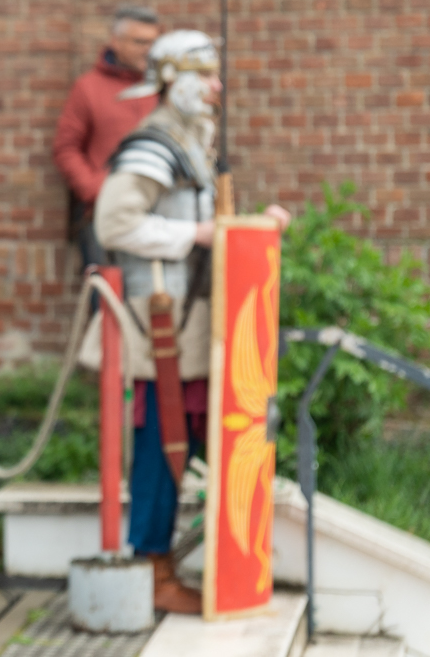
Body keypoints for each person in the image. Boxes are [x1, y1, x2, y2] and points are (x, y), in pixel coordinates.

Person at [93, 30, 290, 614]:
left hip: (197, 323)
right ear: (172, 80)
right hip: (163, 324)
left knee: (197, 435)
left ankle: (180, 559)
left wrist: (252, 227)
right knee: (164, 439)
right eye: (203, 74)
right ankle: (153, 568)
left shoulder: (190, 143)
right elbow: (114, 225)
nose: (216, 86)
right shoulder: (153, 145)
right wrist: (196, 233)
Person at [53, 4, 161, 270]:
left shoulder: (165, 89)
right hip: (104, 214)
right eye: (140, 42)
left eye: (153, 43)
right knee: (107, 290)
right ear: (116, 41)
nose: (149, 50)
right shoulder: (89, 87)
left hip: (158, 214)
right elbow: (66, 147)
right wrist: (94, 189)